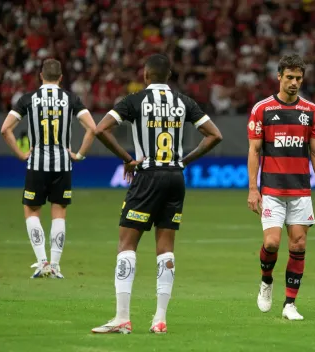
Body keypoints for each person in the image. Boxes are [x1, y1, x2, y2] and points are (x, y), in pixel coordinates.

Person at [91, 54, 222, 334]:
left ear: (145, 74)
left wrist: (127, 157)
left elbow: (100, 129)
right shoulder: (184, 102)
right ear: (169, 76)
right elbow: (214, 135)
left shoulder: (134, 100)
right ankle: (160, 319)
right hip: (176, 177)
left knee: (126, 245)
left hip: (148, 176)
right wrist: (185, 160)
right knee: (165, 249)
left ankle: (122, 318)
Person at [247, 53, 315, 321]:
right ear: (279, 77)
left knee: (298, 245)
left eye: (299, 78)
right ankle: (266, 280)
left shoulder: (310, 111)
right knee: (271, 243)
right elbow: (255, 151)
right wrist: (252, 189)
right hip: (272, 190)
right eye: (290, 77)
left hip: (300, 191)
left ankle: (290, 304)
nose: (294, 82)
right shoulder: (263, 109)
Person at [0, 58, 97, 278]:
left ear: (40, 76)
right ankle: (55, 265)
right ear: (61, 78)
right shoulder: (70, 99)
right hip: (63, 165)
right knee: (59, 213)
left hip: (36, 165)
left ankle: (42, 262)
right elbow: (92, 128)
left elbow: (5, 130)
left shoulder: (29, 99)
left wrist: (21, 154)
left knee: (32, 211)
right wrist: (79, 155)